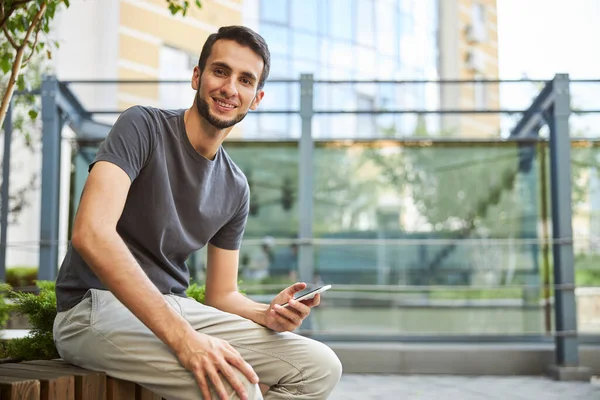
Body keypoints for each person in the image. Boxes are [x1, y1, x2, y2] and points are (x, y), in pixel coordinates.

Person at [53, 25, 342, 400]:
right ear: (197, 76)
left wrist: (264, 314)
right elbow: (91, 233)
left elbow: (222, 295)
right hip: (93, 308)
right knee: (237, 388)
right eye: (220, 71)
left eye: (245, 80)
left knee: (319, 368)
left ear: (256, 98)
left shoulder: (235, 186)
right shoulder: (141, 126)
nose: (230, 88)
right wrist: (185, 340)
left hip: (178, 308)